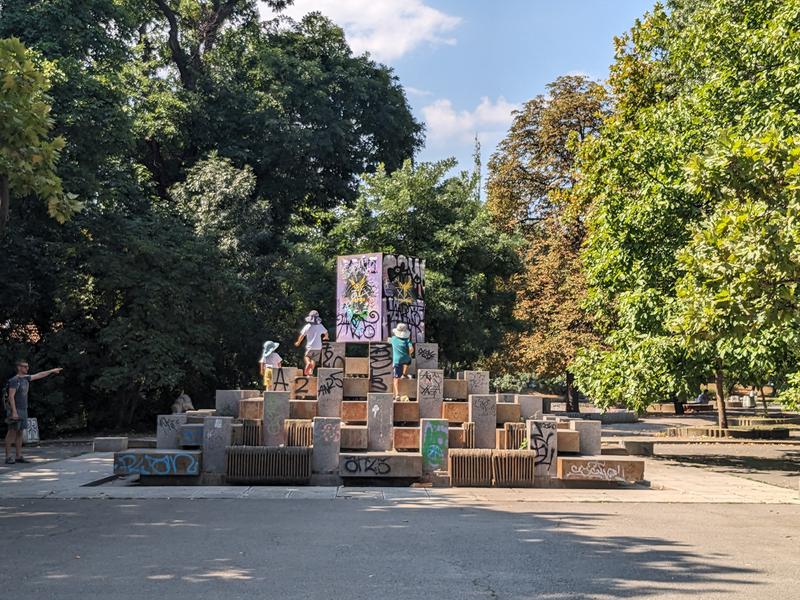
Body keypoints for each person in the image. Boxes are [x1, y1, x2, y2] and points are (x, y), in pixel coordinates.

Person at [4, 360, 62, 464]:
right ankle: (8, 456)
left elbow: (39, 374)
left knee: (20, 432)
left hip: (23, 409)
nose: (27, 368)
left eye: (27, 366)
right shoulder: (14, 380)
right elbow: (11, 397)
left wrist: (52, 371)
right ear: (19, 367)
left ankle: (19, 456)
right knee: (11, 432)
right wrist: (14, 412)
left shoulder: (26, 378)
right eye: (25, 367)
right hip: (15, 410)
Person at [294, 311, 328, 376]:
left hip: (310, 346)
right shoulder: (320, 326)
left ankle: (308, 363)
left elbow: (302, 335)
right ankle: (310, 370)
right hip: (318, 347)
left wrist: (298, 342)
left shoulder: (308, 326)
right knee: (314, 359)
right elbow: (326, 332)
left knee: (306, 356)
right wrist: (326, 337)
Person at [389, 323, 414, 399]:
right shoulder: (407, 340)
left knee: (396, 378)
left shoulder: (393, 339)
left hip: (397, 360)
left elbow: (387, 340)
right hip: (406, 359)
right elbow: (411, 349)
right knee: (408, 361)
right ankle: (404, 374)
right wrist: (409, 354)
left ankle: (397, 394)